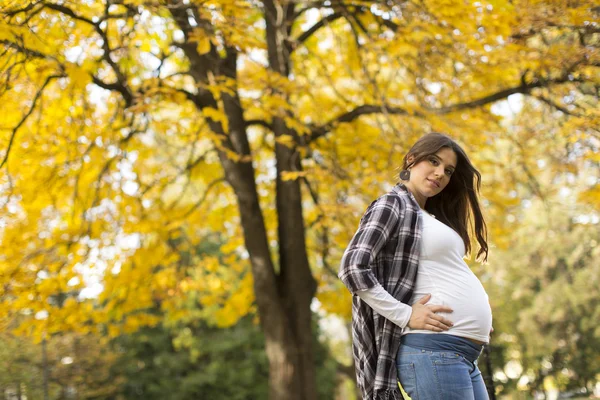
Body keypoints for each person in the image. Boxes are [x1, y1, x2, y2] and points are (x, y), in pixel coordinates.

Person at [338, 132, 492, 400]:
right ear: (411, 160)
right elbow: (353, 268)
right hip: (434, 351)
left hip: (461, 352)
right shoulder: (392, 204)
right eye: (433, 161)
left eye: (448, 170)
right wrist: (405, 314)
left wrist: (477, 317)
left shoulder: (428, 217)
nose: (440, 173)